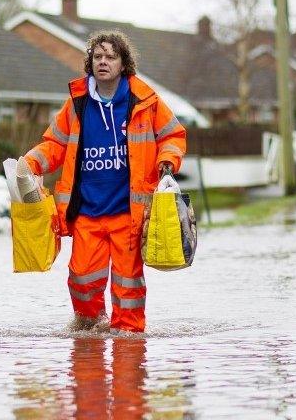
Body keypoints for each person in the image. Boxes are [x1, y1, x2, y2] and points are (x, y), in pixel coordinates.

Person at [23, 31, 186, 333]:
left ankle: (130, 342)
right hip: (87, 211)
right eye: (97, 56)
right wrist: (29, 163)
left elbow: (172, 135)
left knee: (127, 285)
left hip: (128, 213)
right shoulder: (77, 104)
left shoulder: (145, 100)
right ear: (90, 62)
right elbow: (54, 145)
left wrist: (168, 161)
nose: (103, 61)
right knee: (81, 278)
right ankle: (90, 325)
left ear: (123, 64)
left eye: (111, 56)